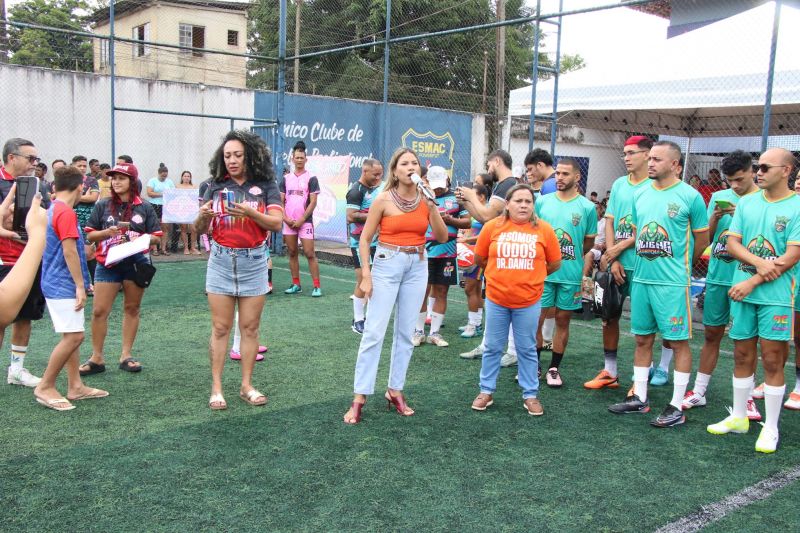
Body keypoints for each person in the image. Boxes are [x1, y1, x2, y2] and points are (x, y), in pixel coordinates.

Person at [608, 141, 709, 428]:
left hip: (672, 283)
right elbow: (638, 234)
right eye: (650, 158)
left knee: (678, 342)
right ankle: (639, 397)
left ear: (675, 165)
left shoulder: (690, 196)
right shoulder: (640, 194)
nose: (650, 163)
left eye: (657, 159)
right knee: (642, 339)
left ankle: (676, 405)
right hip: (642, 279)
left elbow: (702, 239)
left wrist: (680, 265)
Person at [342, 148, 447, 424]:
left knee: (406, 332)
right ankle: (359, 397)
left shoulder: (426, 200)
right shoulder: (384, 199)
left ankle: (395, 390)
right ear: (395, 171)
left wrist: (432, 206)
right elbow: (365, 239)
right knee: (374, 332)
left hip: (418, 265)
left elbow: (441, 236)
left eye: (415, 163)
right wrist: (366, 274)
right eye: (405, 163)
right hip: (387, 263)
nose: (411, 167)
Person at [706, 148, 800, 453]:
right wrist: (759, 265)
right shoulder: (747, 203)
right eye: (758, 167)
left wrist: (753, 279)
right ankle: (739, 417)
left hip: (774, 295)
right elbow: (732, 244)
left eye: (766, 167)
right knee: (741, 355)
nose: (759, 172)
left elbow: (792, 256)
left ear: (786, 170)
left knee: (772, 359)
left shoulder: (797, 206)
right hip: (742, 290)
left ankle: (771, 427)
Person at [195, 130, 283, 410]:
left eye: (237, 155)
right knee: (221, 327)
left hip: (254, 262)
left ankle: (246, 386)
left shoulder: (266, 184)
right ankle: (216, 388)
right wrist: (202, 217)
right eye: (227, 156)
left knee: (250, 327)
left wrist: (251, 213)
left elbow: (276, 223)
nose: (231, 161)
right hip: (221, 261)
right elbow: (200, 229)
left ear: (250, 156)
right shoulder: (212, 186)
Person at [681, 150, 760, 420]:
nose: (734, 186)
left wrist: (743, 216)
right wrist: (714, 218)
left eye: (739, 179)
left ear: (752, 171)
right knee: (711, 335)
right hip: (717, 277)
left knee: (745, 343)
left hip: (745, 280)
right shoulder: (718, 196)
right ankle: (699, 391)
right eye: (730, 181)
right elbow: (705, 238)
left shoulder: (762, 200)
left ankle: (747, 399)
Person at [471, 184, 562, 415]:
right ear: (507, 204)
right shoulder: (492, 227)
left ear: (533, 205)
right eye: (518, 201)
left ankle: (530, 394)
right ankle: (486, 391)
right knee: (492, 347)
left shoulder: (544, 230)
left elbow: (554, 263)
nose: (523, 205)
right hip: (496, 300)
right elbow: (480, 258)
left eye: (528, 201)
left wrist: (532, 278)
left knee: (527, 348)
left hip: (528, 302)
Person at [33, 166, 108, 411]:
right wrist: (80, 285)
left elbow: (67, 248)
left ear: (56, 186)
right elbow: (68, 251)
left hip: (55, 280)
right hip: (62, 283)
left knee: (71, 334)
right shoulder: (65, 212)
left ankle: (75, 386)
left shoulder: (54, 208)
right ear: (80, 188)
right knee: (75, 336)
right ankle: (45, 386)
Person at [80, 163, 162, 376]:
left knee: (132, 308)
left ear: (132, 182)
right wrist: (107, 233)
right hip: (107, 263)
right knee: (99, 311)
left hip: (136, 263)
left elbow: (157, 237)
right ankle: (96, 358)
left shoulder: (144, 207)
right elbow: (90, 235)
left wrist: (139, 238)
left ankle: (126, 355)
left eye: (121, 178)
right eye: (114, 178)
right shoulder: (103, 205)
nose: (116, 181)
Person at [585, 136, 653, 390]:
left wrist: (618, 249)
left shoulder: (655, 186)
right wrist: (613, 258)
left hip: (645, 265)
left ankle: (644, 378)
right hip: (617, 264)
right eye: (624, 153)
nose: (626, 158)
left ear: (647, 155)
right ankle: (610, 372)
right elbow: (610, 221)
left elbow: (649, 228)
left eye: (631, 153)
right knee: (608, 316)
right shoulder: (620, 184)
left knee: (645, 325)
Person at [534, 158, 597, 386]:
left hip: (570, 275)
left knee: (563, 320)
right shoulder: (542, 202)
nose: (559, 178)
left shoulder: (588, 208)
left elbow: (587, 243)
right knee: (536, 320)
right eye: (557, 173)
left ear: (577, 177)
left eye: (565, 174)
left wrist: (570, 256)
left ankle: (553, 369)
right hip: (543, 273)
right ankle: (534, 366)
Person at [455, 150, 522, 361]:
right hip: (500, 251)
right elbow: (484, 218)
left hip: (507, 251)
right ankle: (488, 345)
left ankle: (512, 351)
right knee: (494, 299)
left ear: (497, 161)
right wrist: (466, 202)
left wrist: (471, 196)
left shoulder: (507, 184)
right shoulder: (504, 184)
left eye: (488, 164)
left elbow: (486, 215)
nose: (488, 169)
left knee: (509, 303)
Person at [0, 138, 52, 388]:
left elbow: (47, 216)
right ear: (12, 157)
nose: (35, 164)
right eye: (30, 158)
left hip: (30, 258)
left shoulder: (38, 186)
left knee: (26, 315)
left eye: (36, 159)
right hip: (4, 260)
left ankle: (17, 370)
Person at [413, 166, 470, 348]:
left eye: (440, 185)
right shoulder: (421, 197)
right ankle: (418, 331)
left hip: (448, 253)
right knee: (422, 291)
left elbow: (468, 221)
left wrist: (450, 220)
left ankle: (435, 333)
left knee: (442, 291)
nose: (437, 190)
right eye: (434, 186)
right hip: (425, 252)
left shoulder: (456, 198)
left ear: (447, 180)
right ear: (427, 182)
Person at [0, 184, 47, 329]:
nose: (12, 217)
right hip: (6, 268)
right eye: (10, 212)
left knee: (25, 318)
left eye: (16, 212)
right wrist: (37, 234)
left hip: (29, 271)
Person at [346, 158, 383, 334]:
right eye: (375, 174)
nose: (378, 178)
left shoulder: (377, 189)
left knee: (375, 280)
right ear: (365, 171)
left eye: (380, 174)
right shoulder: (356, 191)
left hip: (377, 242)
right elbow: (351, 216)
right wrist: (376, 215)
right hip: (359, 242)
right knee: (363, 280)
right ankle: (358, 320)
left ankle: (369, 317)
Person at [281, 141, 322, 297]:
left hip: (305, 222)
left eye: (301, 157)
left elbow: (313, 202)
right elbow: (280, 201)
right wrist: (285, 218)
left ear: (306, 159)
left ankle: (317, 286)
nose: (299, 160)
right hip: (288, 223)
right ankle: (296, 284)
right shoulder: (285, 179)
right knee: (292, 252)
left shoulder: (312, 178)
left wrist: (302, 219)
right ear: (292, 159)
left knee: (310, 253)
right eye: (296, 157)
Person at [457, 181, 489, 338]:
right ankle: (476, 323)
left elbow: (485, 234)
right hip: (470, 254)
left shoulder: (487, 213)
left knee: (471, 289)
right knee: (473, 289)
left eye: (473, 194)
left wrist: (466, 240)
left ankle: (474, 325)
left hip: (479, 255)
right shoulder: (476, 211)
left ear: (481, 197)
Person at [72, 155, 100, 283]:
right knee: (72, 253)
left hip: (87, 222)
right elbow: (58, 198)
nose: (82, 168)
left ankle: (95, 283)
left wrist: (74, 197)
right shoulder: (68, 181)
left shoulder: (91, 180)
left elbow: (93, 198)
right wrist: (84, 196)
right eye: (79, 166)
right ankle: (79, 283)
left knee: (89, 253)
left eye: (84, 166)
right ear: (73, 166)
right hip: (71, 221)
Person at [147, 163, 175, 255]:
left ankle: (163, 249)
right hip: (155, 206)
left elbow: (173, 193)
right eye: (162, 175)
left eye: (165, 176)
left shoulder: (169, 182)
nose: (164, 177)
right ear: (159, 173)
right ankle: (155, 249)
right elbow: (149, 193)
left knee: (165, 228)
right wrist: (163, 194)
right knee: (155, 227)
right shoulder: (152, 181)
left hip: (166, 206)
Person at [174, 170, 201, 255]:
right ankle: (186, 248)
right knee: (184, 228)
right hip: (182, 210)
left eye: (188, 176)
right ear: (182, 177)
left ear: (190, 178)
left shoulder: (194, 187)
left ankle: (193, 248)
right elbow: (174, 198)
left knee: (194, 229)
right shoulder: (177, 186)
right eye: (185, 176)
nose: (186, 178)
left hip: (192, 210)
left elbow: (197, 199)